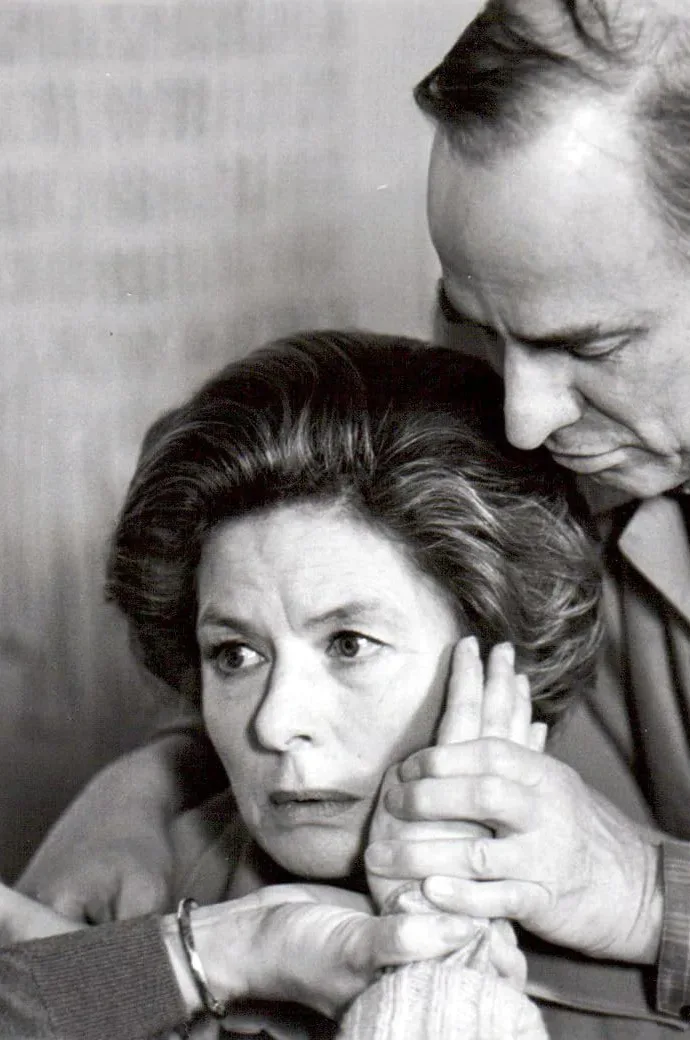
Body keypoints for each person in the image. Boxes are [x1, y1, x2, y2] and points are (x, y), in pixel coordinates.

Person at [21, 0, 690, 1032]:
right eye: (477, 327)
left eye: (588, 346)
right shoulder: (546, 402)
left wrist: (651, 895)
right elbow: (317, 561)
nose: (518, 415)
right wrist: (157, 788)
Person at [2, 331, 601, 1038]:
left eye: (349, 645)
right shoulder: (123, 907)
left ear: (502, 648)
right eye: (235, 655)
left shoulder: (619, 936)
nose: (275, 723)